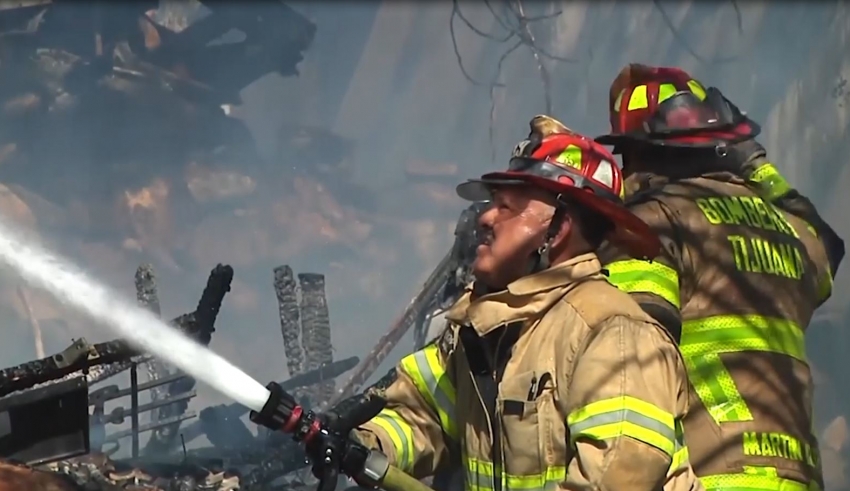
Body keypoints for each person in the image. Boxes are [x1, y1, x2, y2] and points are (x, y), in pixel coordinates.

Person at [349, 117, 703, 491]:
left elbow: (615, 476)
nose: (485, 217)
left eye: (508, 207)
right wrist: (361, 442)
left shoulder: (613, 333)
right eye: (492, 204)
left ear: (559, 228)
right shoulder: (484, 328)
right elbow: (424, 419)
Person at [593, 63, 845, 491]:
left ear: (638, 152)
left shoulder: (651, 226)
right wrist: (759, 166)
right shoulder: (787, 227)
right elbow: (827, 248)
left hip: (708, 475)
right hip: (798, 477)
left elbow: (634, 364)